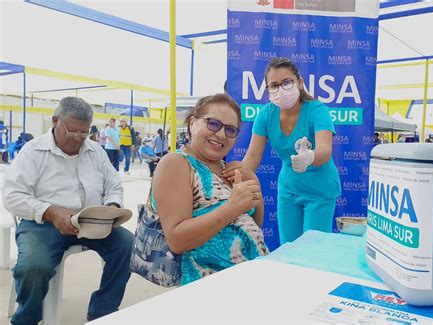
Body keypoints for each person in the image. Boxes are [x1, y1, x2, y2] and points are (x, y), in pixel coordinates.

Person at [3, 97, 134, 324]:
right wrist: (51, 212)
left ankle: (102, 311)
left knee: (130, 247)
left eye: (84, 133)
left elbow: (114, 186)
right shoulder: (32, 152)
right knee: (34, 266)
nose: (78, 139)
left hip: (89, 221)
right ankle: (27, 319)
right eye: (73, 132)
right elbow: (12, 196)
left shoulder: (95, 150)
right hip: (42, 224)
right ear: (55, 121)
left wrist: (112, 207)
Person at [223, 57, 341, 244]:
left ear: (299, 83)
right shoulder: (266, 114)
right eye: (274, 85)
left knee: (313, 251)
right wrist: (238, 176)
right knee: (289, 248)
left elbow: (325, 151)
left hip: (320, 190)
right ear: (268, 90)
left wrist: (309, 157)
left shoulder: (318, 110)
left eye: (287, 82)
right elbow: (253, 157)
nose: (281, 89)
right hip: (289, 189)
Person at [153, 94, 268, 285]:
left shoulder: (229, 170)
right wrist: (233, 206)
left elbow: (251, 227)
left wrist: (256, 197)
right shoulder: (176, 164)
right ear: (192, 123)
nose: (221, 135)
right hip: (209, 288)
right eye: (213, 124)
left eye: (231, 130)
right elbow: (177, 240)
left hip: (251, 279)